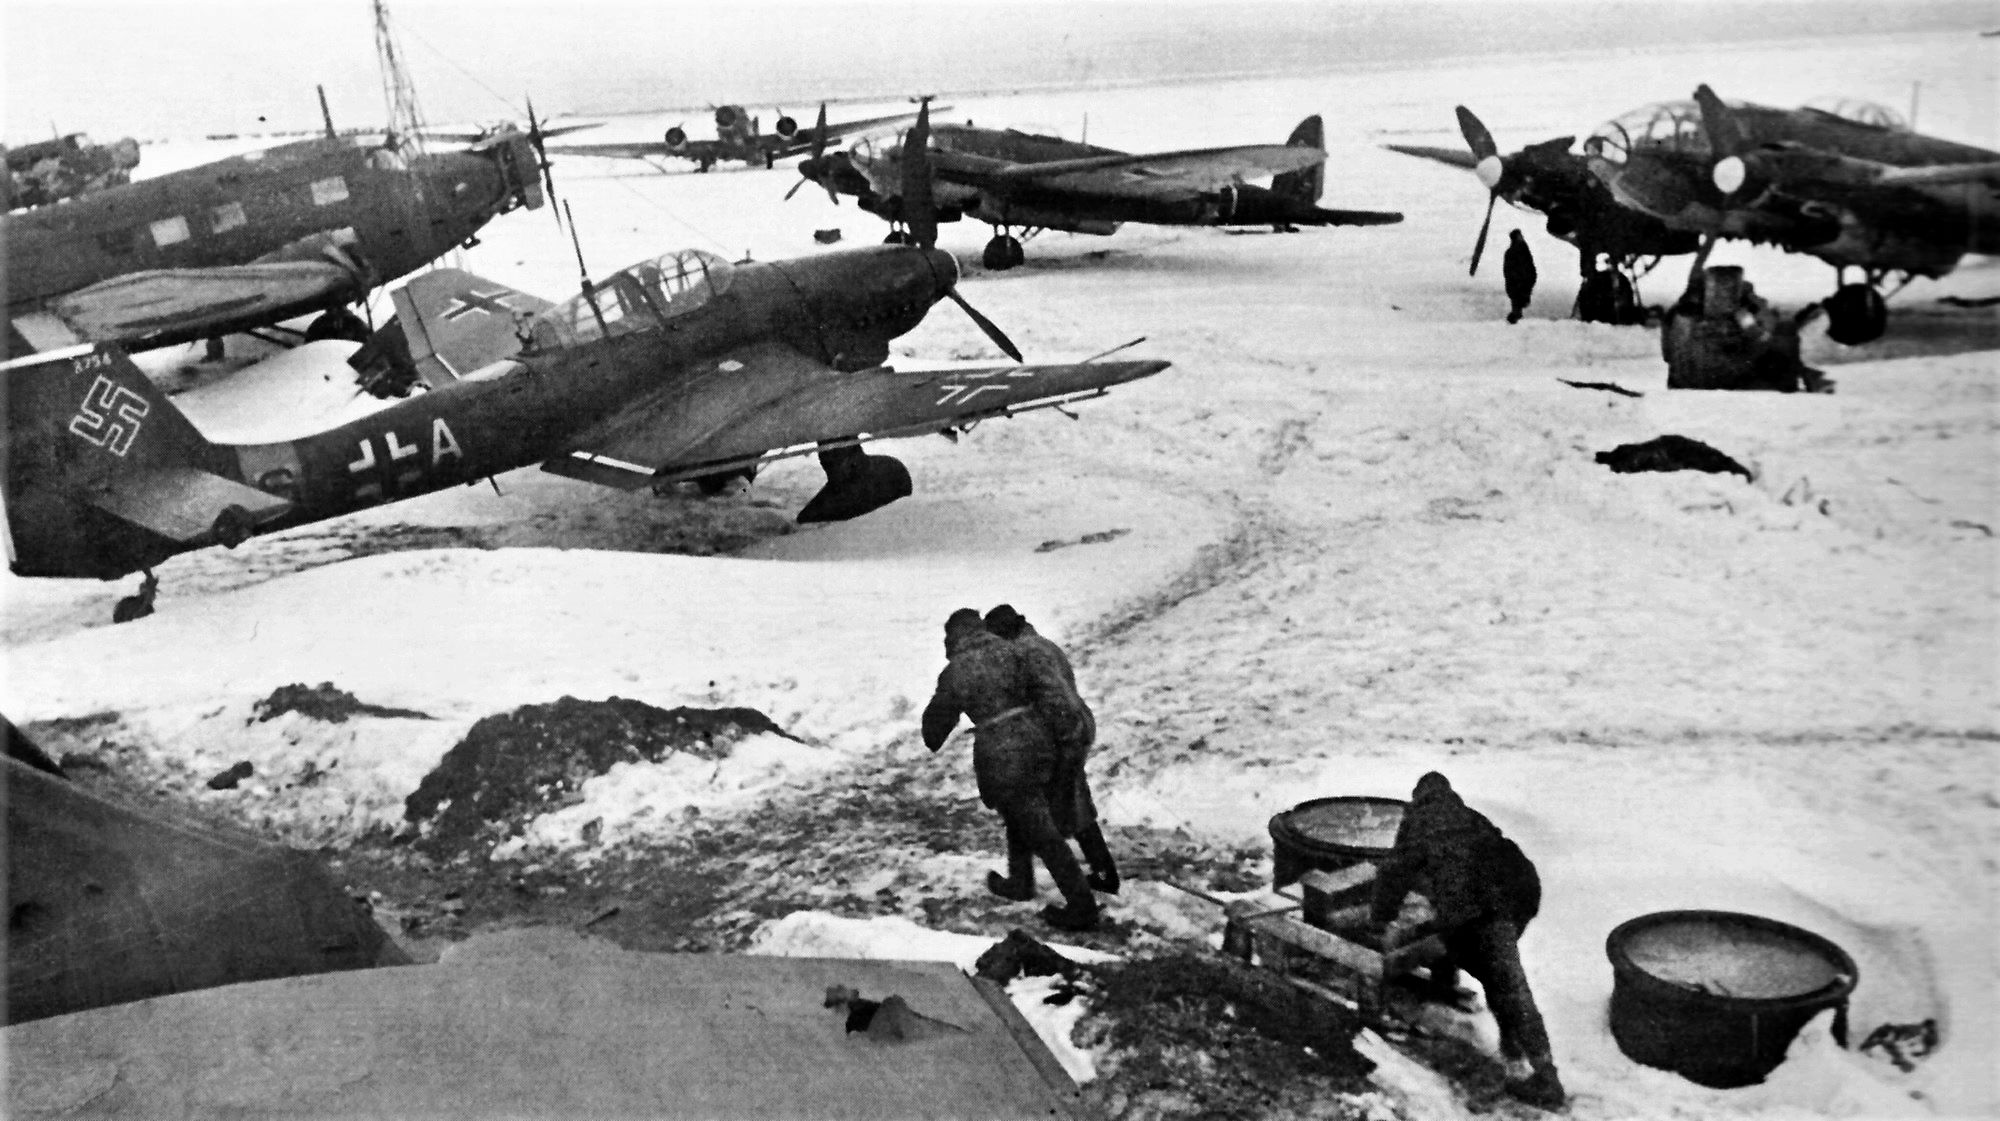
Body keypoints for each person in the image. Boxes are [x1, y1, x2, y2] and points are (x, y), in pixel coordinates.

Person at [1371, 772, 1565, 1110]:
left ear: (1418, 799)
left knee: (1501, 980)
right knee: (1506, 980)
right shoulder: (1470, 817)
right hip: (1514, 898)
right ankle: (1526, 1057)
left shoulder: (1418, 819)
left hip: (1474, 912)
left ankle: (1543, 1077)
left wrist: (1380, 918)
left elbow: (1393, 871)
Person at [922, 609, 1100, 932]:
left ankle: (1082, 906)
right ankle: (1020, 881)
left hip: (1003, 754)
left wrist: (936, 721)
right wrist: (1063, 738)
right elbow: (1051, 694)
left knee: (1039, 829)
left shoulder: (956, 672)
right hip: (1040, 743)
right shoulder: (1016, 652)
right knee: (1020, 812)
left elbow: (933, 731)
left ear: (955, 637)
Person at [985, 605, 1119, 894]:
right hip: (1076, 727)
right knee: (1074, 802)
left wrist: (1055, 739)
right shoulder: (1045, 645)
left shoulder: (1024, 654)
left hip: (1061, 733)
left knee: (1022, 804)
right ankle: (1104, 872)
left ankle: (1020, 881)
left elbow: (1055, 700)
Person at [1502, 230, 1537, 324]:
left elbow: (1529, 266)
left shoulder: (1522, 251)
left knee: (1520, 302)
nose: (1521, 237)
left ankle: (1515, 319)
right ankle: (1515, 319)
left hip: (1521, 283)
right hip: (1518, 283)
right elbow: (1510, 270)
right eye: (1520, 236)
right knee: (1518, 303)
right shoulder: (1516, 252)